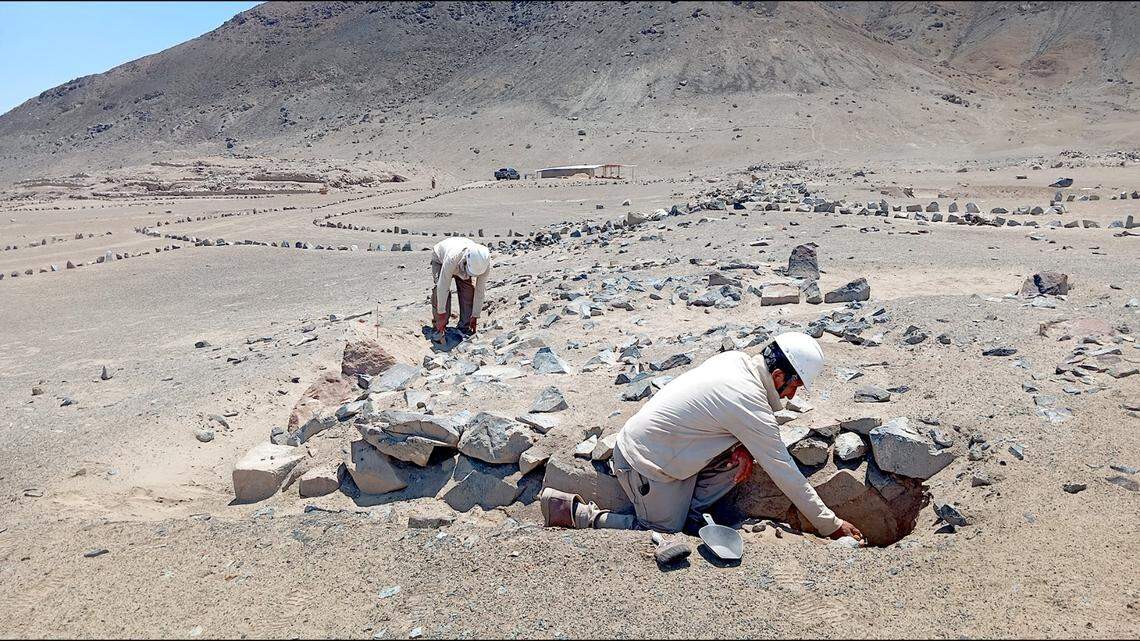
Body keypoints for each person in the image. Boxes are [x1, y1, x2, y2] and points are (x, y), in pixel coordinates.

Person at [539, 332, 864, 542]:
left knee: (738, 460)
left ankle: (691, 516)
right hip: (645, 465)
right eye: (794, 387)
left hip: (667, 452)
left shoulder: (736, 361)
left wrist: (743, 446)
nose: (792, 396)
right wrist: (830, 524)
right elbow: (785, 472)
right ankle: (577, 514)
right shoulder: (747, 399)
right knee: (662, 534)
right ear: (778, 376)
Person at [430, 237, 490, 337]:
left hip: (460, 261)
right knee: (439, 292)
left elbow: (480, 290)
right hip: (440, 259)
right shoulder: (452, 258)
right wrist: (441, 314)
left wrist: (475, 315)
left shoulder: (484, 264)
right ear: (466, 261)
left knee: (468, 291)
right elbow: (443, 286)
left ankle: (464, 326)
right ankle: (439, 327)